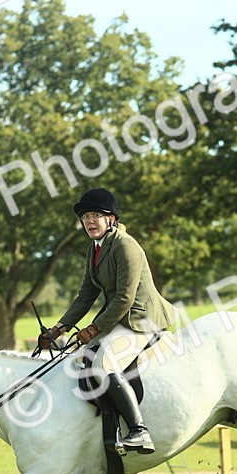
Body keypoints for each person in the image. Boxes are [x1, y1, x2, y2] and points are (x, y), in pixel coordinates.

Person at [41, 188, 176, 455]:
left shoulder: (126, 245)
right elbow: (84, 297)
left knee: (104, 364)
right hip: (120, 317)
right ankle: (108, 427)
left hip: (141, 317)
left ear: (111, 218)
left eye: (95, 216)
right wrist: (59, 328)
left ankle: (140, 431)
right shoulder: (95, 249)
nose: (89, 222)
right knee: (82, 358)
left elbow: (125, 298)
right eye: (85, 217)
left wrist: (93, 328)